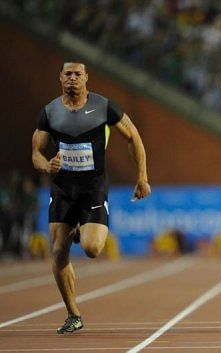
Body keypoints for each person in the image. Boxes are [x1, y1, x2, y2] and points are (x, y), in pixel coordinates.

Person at [32, 61, 151, 333]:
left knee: (92, 249)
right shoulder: (49, 112)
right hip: (63, 188)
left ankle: (79, 230)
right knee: (59, 249)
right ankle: (73, 314)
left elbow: (133, 136)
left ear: (86, 78)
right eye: (68, 74)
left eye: (78, 74)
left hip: (93, 188)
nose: (73, 78)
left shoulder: (104, 106)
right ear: (60, 78)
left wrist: (142, 176)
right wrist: (45, 165)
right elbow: (36, 152)